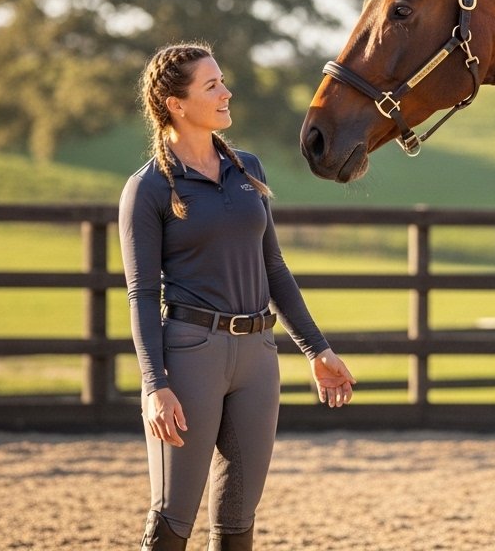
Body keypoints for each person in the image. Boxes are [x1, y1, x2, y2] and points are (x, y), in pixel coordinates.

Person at [120, 42, 356, 550]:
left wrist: (317, 350)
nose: (227, 92)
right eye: (212, 86)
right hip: (188, 359)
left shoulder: (247, 169)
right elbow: (141, 294)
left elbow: (274, 269)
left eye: (222, 80)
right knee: (171, 521)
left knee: (237, 523)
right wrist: (154, 384)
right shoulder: (149, 189)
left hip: (257, 358)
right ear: (175, 104)